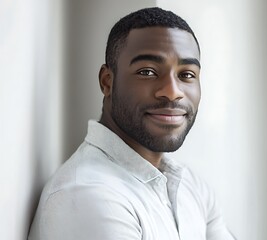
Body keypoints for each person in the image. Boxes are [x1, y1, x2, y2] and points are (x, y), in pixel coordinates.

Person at [28, 7, 235, 240]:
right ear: (107, 82)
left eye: (186, 74)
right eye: (147, 72)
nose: (172, 92)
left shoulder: (192, 187)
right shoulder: (89, 197)